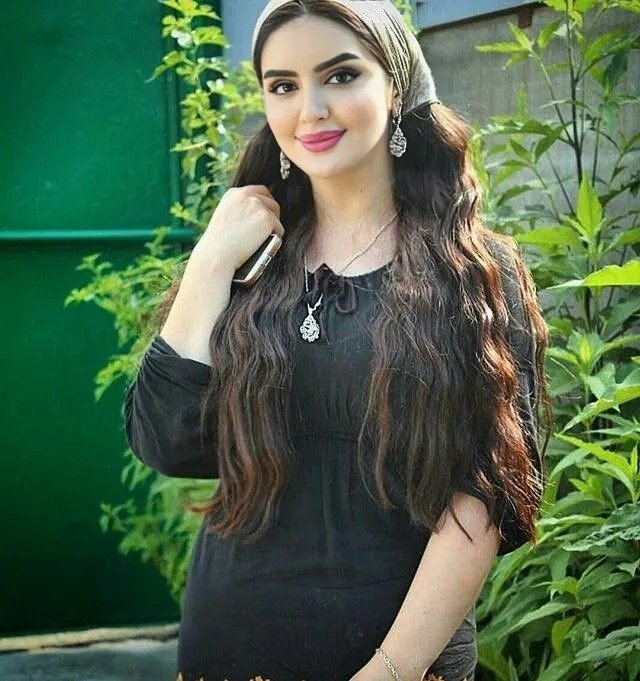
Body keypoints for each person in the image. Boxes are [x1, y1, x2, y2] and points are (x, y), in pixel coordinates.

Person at [122, 1, 552, 680]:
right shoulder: (248, 263)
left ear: (396, 87)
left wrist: (388, 671)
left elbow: (483, 499)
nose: (311, 109)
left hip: (402, 662)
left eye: (341, 75)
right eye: (283, 85)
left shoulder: (476, 275)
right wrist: (209, 261)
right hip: (226, 647)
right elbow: (163, 440)